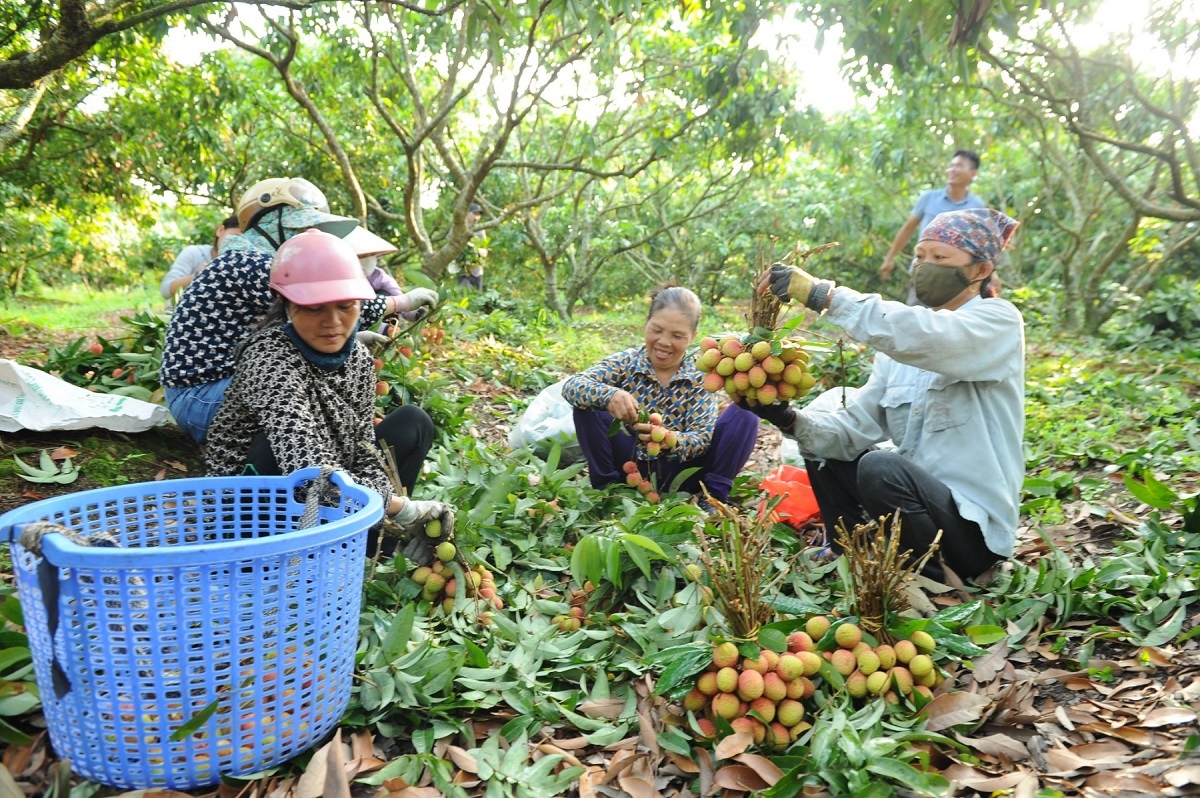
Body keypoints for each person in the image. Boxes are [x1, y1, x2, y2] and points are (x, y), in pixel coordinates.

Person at [753, 208, 1024, 582]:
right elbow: (853, 430)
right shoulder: (899, 353)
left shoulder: (999, 323)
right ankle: (846, 549)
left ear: (980, 270)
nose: (925, 266)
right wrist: (787, 417)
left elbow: (929, 336)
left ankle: (935, 579)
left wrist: (823, 296)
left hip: (972, 530)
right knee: (824, 448)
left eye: (940, 258)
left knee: (880, 467)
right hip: (917, 510)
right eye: (920, 256)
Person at [205, 229, 452, 559]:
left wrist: (392, 507)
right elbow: (306, 469)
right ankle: (270, 557)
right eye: (314, 308)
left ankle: (375, 544)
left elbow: (364, 448)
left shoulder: (359, 359)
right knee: (274, 451)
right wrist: (400, 506)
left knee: (413, 422)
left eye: (345, 306)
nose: (333, 322)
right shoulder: (268, 358)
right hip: (251, 514)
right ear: (286, 305)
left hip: (331, 486)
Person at [160, 177, 440, 444]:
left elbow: (290, 326)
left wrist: (345, 340)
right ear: (271, 228)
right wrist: (398, 303)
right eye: (299, 231)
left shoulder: (251, 261)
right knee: (306, 392)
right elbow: (322, 298)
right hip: (199, 397)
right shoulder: (246, 263)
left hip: (223, 388)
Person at [562, 286, 759, 505]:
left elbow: (702, 438)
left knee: (746, 413)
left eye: (677, 336)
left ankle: (712, 499)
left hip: (684, 473)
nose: (664, 342)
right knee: (585, 405)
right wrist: (610, 395)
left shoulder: (699, 376)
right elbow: (572, 385)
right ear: (646, 322)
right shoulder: (626, 363)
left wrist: (670, 440)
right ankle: (610, 493)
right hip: (630, 468)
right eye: (657, 330)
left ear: (692, 337)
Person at [880, 149, 986, 305]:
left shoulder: (976, 206)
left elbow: (980, 244)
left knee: (949, 325)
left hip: (958, 280)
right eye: (951, 166)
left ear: (972, 173)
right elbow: (908, 229)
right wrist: (889, 259)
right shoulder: (928, 198)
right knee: (914, 321)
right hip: (924, 274)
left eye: (959, 166)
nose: (952, 170)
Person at [159, 215, 241, 307]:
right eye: (235, 237)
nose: (238, 244)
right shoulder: (194, 253)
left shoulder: (242, 267)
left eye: (243, 241)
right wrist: (199, 275)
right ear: (220, 231)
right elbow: (166, 290)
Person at [451, 203, 486, 291]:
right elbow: (450, 243)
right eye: (474, 214)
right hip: (463, 271)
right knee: (466, 296)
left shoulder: (480, 230)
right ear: (467, 213)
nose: (477, 217)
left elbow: (485, 250)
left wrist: (480, 251)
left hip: (477, 271)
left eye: (479, 215)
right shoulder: (458, 228)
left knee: (478, 299)